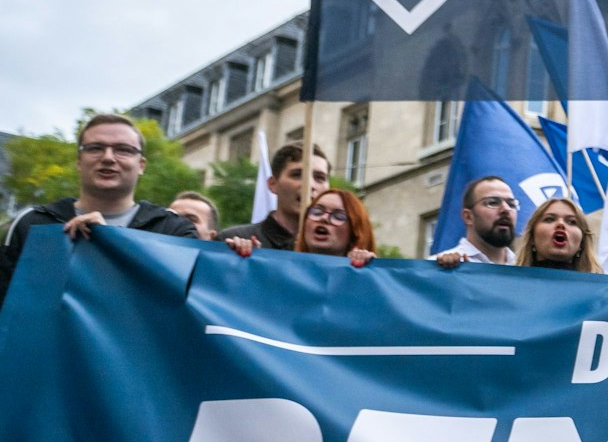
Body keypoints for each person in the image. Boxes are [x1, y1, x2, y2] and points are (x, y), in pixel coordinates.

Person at [0, 113, 199, 307]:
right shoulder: (33, 223)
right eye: (95, 148)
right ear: (79, 160)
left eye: (123, 150)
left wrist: (111, 241)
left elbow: (189, 308)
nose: (108, 158)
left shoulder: (172, 230)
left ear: (141, 165)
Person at [217, 142, 330, 252]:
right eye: (297, 174)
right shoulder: (231, 241)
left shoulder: (337, 249)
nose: (309, 185)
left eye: (320, 177)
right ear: (272, 184)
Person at [226, 187, 377, 268]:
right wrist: (248, 264)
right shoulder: (280, 270)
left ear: (355, 233)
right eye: (317, 211)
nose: (324, 218)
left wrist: (373, 273)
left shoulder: (368, 279)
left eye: (338, 216)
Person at [515, 197, 608, 280]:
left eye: (572, 222)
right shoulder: (506, 286)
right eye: (549, 219)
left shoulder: (602, 293)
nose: (561, 224)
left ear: (582, 242)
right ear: (531, 237)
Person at [433, 176, 521, 267]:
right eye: (492, 202)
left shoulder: (526, 269)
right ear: (468, 217)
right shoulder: (437, 268)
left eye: (511, 204)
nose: (506, 209)